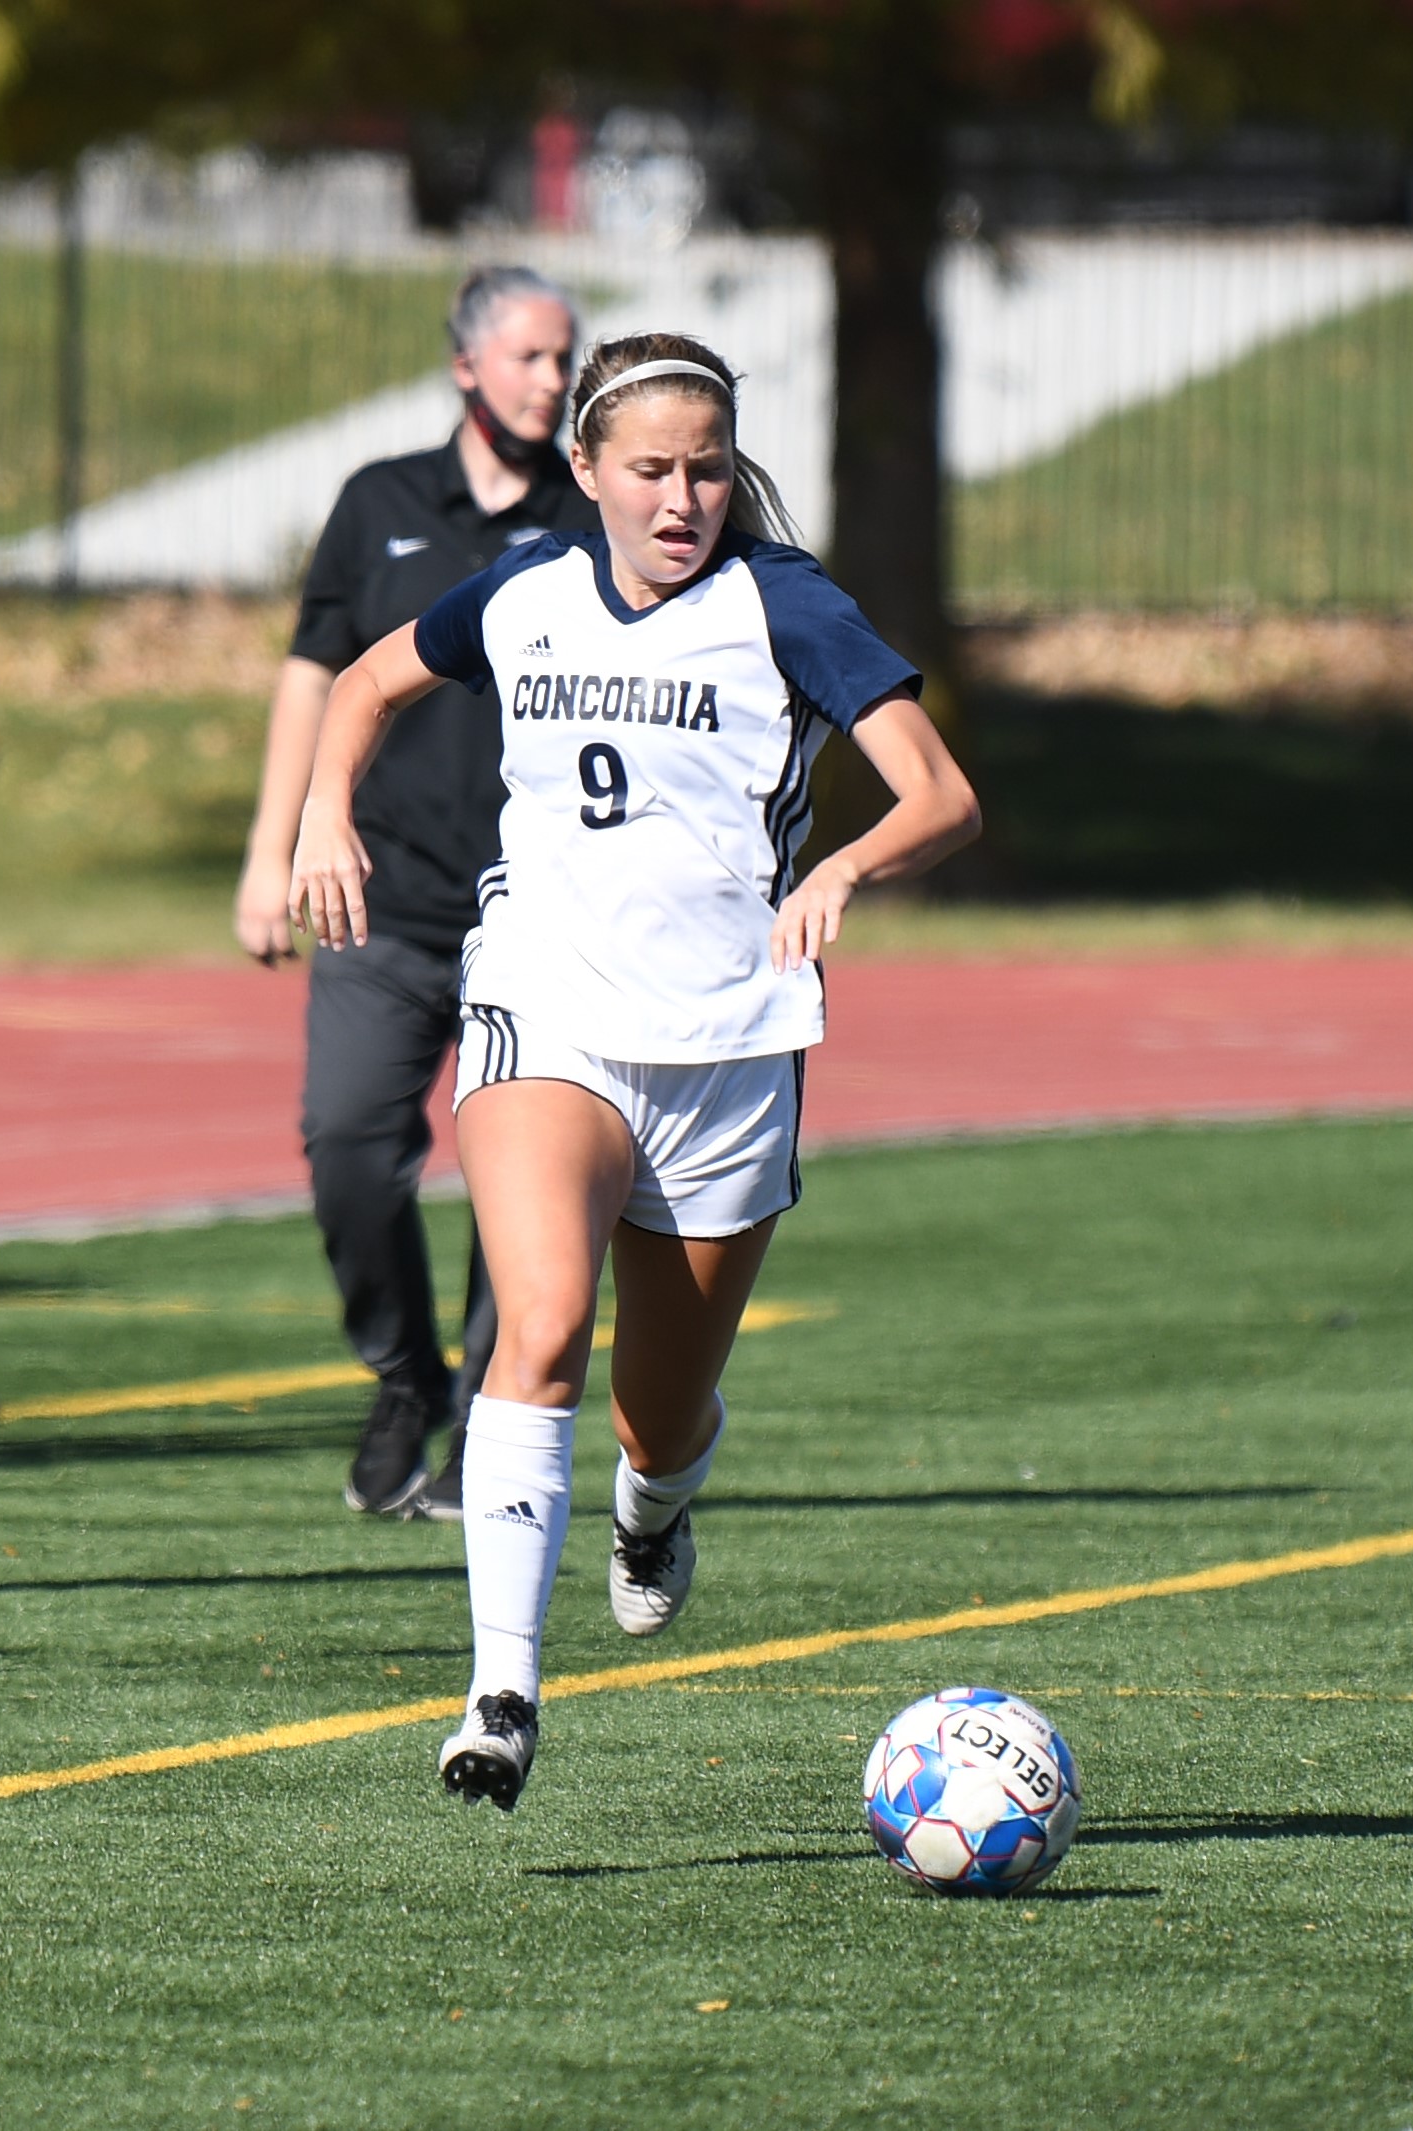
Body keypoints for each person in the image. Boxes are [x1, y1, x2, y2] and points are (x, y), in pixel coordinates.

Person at [289, 332, 981, 1808]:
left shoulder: (785, 605)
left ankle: (654, 1505)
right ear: (588, 470)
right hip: (548, 999)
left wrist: (847, 866)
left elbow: (943, 795)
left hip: (729, 1040)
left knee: (658, 1416)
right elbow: (361, 684)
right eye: (652, 469)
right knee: (537, 1318)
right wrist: (317, 820)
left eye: (709, 467)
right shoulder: (526, 588)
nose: (683, 497)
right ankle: (499, 1690)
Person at [235, 265, 595, 1520]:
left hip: (542, 912)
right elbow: (313, 677)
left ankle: (491, 1427)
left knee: (530, 1179)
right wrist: (276, 842)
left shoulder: (591, 513)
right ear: (466, 365)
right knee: (347, 1145)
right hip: (380, 900)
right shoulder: (376, 501)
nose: (553, 381)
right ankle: (401, 1375)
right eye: (531, 358)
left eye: (565, 359)